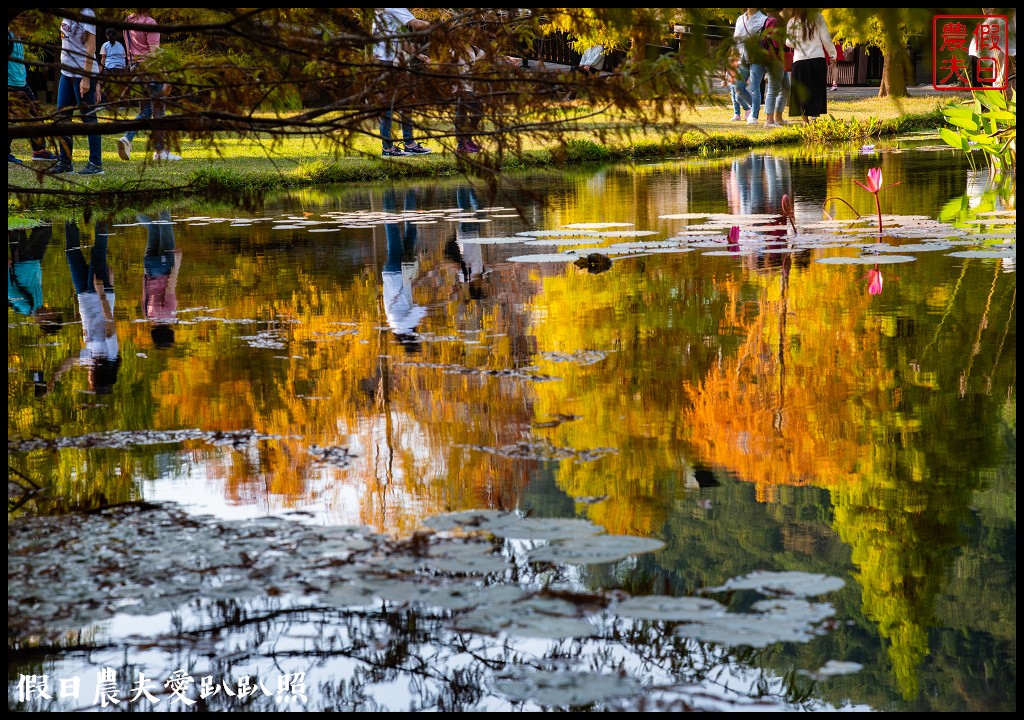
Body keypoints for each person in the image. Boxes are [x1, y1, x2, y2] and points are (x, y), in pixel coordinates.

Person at [54, 219, 121, 395]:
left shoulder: (91, 358)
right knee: (97, 252)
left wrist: (55, 376)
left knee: (71, 253)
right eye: (91, 382)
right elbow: (109, 320)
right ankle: (103, 213)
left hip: (84, 295)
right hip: (98, 293)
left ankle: (70, 216)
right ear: (98, 376)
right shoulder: (110, 354)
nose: (88, 380)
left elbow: (71, 359)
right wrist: (102, 291)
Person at [117, 9, 180, 162]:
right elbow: (154, 54)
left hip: (135, 70)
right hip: (150, 70)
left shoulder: (127, 22)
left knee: (145, 110)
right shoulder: (149, 23)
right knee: (158, 110)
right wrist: (165, 77)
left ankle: (130, 140)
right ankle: (159, 152)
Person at [46, 9, 104, 176]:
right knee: (62, 117)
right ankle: (65, 162)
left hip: (82, 73)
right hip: (67, 73)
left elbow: (91, 47)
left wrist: (86, 78)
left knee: (89, 118)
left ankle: (95, 163)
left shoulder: (86, 13)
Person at [373, 8, 433, 157]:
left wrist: (420, 56)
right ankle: (387, 148)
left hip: (385, 62)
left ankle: (409, 144)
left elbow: (400, 41)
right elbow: (418, 25)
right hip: (383, 64)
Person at [380, 188, 427, 351]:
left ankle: (388, 193)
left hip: (396, 273)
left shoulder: (402, 325)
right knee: (411, 233)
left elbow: (420, 310)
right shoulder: (395, 325)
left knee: (393, 232)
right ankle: (409, 193)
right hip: (396, 274)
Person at [8, 27, 58, 163]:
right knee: (11, 119)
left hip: (22, 84)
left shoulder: (18, 39)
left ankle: (39, 151)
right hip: (10, 85)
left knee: (35, 116)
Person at [8, 224, 63, 334]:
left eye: (51, 313)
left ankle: (17, 210)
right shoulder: (39, 305)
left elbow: (10, 291)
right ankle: (29, 211)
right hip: (35, 261)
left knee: (17, 231)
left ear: (45, 320)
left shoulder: (25, 307)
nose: (51, 310)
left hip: (22, 262)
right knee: (46, 229)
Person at [138, 209, 180, 347]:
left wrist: (177, 262)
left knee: (165, 223)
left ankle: (163, 200)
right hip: (149, 267)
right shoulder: (147, 315)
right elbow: (144, 291)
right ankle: (133, 209)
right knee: (153, 229)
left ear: (170, 332)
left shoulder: (169, 314)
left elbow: (170, 286)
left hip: (164, 267)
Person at [787, 9, 835, 123]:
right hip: (817, 58)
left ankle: (805, 120)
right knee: (816, 89)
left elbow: (789, 43)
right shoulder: (818, 18)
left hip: (799, 60)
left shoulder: (792, 22)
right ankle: (814, 116)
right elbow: (826, 38)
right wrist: (833, 54)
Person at [733, 8, 769, 126]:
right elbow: (736, 39)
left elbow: (766, 39)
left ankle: (754, 116)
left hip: (756, 56)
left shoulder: (763, 19)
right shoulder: (740, 19)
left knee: (754, 87)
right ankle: (754, 106)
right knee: (738, 87)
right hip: (742, 56)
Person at [761, 8, 789, 128]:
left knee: (786, 86)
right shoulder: (774, 20)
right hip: (775, 58)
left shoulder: (771, 19)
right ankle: (769, 120)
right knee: (773, 89)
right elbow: (776, 41)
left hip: (777, 58)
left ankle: (778, 117)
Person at [98, 26, 127, 112]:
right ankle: (120, 105)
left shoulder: (105, 45)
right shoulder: (120, 45)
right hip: (120, 68)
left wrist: (100, 70)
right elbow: (124, 57)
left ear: (107, 36)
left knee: (107, 87)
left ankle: (105, 104)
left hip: (109, 68)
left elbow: (103, 59)